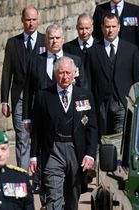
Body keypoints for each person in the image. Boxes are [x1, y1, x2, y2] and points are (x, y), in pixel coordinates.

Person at [30, 56, 98, 210]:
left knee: (72, 197)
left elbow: (92, 128)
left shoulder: (85, 95)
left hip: (76, 151)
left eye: (68, 73)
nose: (65, 76)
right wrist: (33, 156)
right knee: (54, 197)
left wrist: (90, 153)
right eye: (61, 73)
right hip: (53, 150)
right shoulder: (43, 96)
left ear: (74, 74)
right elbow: (37, 131)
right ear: (55, 74)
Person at [0, 6, 45, 171]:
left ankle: (40, 176)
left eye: (34, 19)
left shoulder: (45, 41)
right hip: (19, 96)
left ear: (38, 20)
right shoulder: (13, 43)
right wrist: (4, 101)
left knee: (40, 136)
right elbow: (6, 73)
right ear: (22, 20)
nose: (31, 23)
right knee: (22, 137)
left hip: (40, 97)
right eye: (28, 19)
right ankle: (23, 175)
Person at [87, 13, 139, 136]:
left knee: (120, 137)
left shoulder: (131, 50)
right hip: (101, 104)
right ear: (102, 28)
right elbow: (88, 80)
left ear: (119, 27)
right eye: (107, 26)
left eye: (113, 26)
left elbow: (138, 80)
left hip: (122, 102)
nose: (110, 30)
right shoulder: (93, 51)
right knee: (103, 137)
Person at [23, 23, 86, 125]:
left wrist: (83, 114)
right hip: (41, 116)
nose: (54, 41)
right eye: (51, 38)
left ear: (63, 39)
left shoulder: (75, 60)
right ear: (46, 40)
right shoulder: (35, 61)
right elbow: (28, 90)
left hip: (69, 116)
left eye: (57, 37)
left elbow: (83, 88)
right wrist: (26, 118)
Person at [93, 0, 139, 65]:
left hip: (128, 56)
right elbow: (95, 34)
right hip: (106, 56)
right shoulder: (100, 9)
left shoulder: (134, 10)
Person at [63, 13, 97, 88]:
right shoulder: (67, 48)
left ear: (92, 28)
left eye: (87, 28)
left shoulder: (101, 47)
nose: (84, 32)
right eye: (81, 28)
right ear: (77, 27)